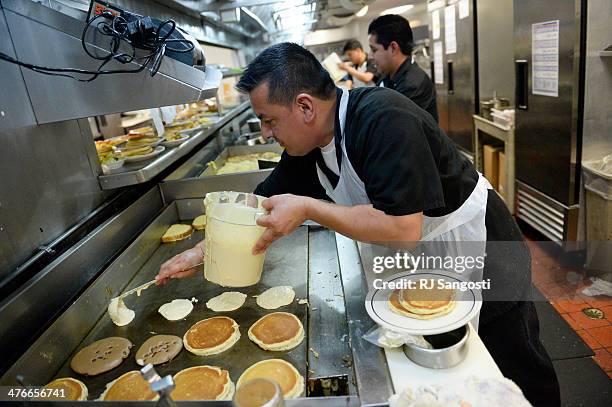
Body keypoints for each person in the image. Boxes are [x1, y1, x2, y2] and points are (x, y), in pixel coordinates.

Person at [156, 43, 560, 406]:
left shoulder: (383, 119)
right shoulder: (308, 147)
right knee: (450, 359)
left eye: (268, 120)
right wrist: (201, 251)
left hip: (478, 245)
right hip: (425, 253)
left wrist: (310, 208)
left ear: (304, 106)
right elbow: (260, 207)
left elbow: (403, 228)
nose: (265, 134)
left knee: (513, 355)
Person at [368, 14, 439, 122]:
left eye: (374, 50)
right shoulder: (387, 77)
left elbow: (389, 122)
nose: (370, 56)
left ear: (393, 48)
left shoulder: (413, 84)